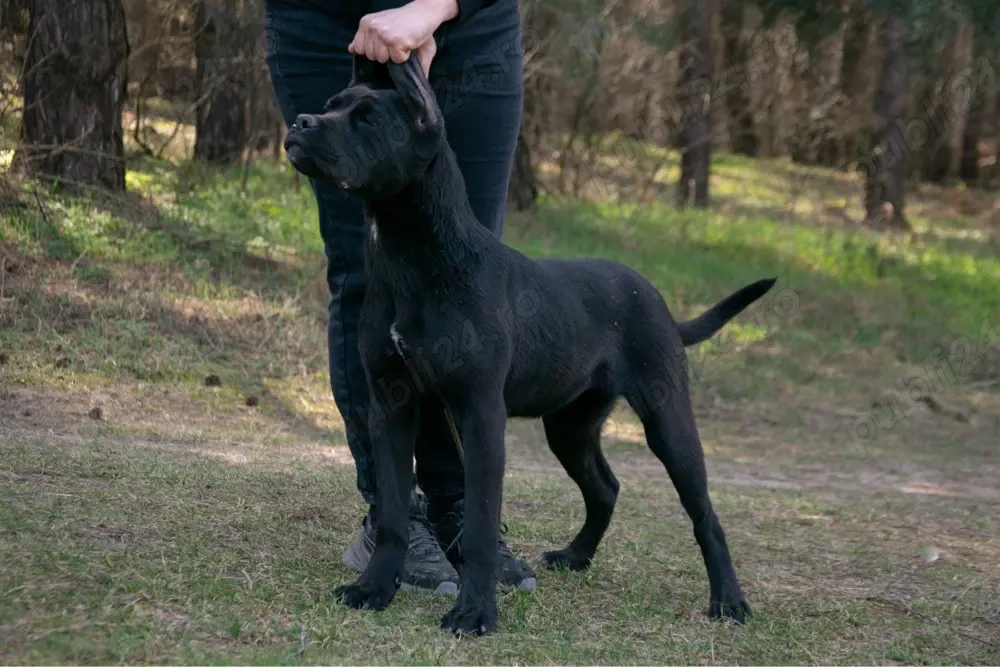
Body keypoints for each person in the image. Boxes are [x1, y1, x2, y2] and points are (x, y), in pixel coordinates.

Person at [263, 0, 536, 594]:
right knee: (366, 278)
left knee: (469, 280)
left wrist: (432, 7)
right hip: (322, 22)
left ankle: (456, 506)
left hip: (471, 29)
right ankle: (393, 513)